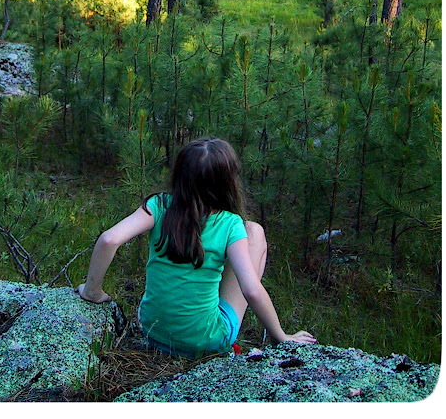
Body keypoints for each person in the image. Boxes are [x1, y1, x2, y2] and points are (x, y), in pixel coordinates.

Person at [76, 137, 316, 358]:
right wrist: (280, 337)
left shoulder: (158, 205)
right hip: (207, 342)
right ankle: (217, 322)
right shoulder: (231, 224)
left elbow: (109, 239)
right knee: (255, 233)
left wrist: (92, 291)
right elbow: (251, 291)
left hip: (153, 332)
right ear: (227, 182)